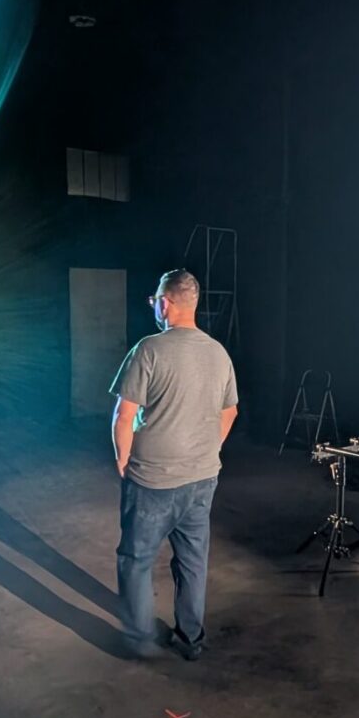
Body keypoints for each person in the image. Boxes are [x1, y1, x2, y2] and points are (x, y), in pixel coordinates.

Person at [110, 269, 239, 660]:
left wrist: (122, 458)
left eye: (155, 301)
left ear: (165, 303)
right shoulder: (218, 352)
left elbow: (123, 414)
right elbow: (230, 411)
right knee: (193, 562)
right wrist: (205, 449)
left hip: (152, 480)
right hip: (202, 479)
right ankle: (191, 639)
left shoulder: (148, 349)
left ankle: (139, 639)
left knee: (136, 560)